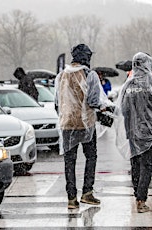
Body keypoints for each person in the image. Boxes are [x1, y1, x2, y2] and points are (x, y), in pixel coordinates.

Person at [116, 52, 152, 213]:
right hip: (151, 131)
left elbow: (123, 108)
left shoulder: (128, 84)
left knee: (135, 164)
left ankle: (136, 194)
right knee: (147, 165)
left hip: (132, 130)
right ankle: (141, 199)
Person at [55, 43, 105, 209]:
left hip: (67, 124)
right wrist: (103, 107)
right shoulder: (90, 75)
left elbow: (57, 102)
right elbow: (93, 101)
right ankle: (87, 192)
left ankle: (71, 198)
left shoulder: (61, 75)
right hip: (86, 124)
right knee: (91, 156)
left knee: (70, 161)